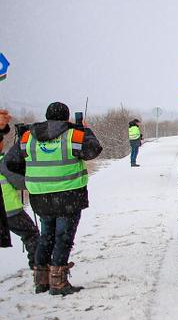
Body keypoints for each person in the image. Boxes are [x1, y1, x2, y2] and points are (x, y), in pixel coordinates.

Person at [4, 102, 103, 295]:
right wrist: (85, 129)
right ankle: (58, 283)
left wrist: (33, 174)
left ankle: (41, 281)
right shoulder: (74, 135)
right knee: (63, 238)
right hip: (68, 195)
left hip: (40, 196)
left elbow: (11, 162)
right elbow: (94, 150)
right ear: (66, 118)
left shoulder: (28, 136)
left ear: (47, 116)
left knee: (46, 236)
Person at [1, 112, 43, 290]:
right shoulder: (3, 163)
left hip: (8, 209)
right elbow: (19, 182)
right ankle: (38, 268)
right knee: (32, 234)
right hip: (9, 209)